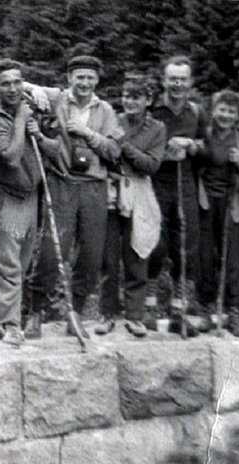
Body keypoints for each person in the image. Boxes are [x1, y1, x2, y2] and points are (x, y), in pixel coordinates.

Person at [22, 54, 123, 338]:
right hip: (62, 183)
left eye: (90, 77)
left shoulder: (105, 110)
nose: (85, 83)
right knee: (54, 252)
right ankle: (35, 312)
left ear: (97, 80)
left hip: (94, 188)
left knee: (91, 256)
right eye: (80, 77)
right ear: (69, 79)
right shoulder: (58, 99)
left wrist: (88, 133)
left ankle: (74, 312)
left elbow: (115, 151)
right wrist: (37, 91)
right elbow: (22, 85)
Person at [94, 73, 166, 338]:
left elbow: (152, 165)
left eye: (136, 97)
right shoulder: (114, 120)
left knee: (137, 254)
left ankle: (134, 317)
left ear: (148, 100)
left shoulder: (157, 128)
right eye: (126, 96)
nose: (130, 102)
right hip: (111, 192)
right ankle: (106, 314)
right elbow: (103, 152)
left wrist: (125, 147)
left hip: (140, 193)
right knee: (108, 257)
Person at [0, 59, 46, 346]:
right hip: (8, 196)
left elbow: (53, 148)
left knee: (21, 261)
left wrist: (36, 128)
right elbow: (10, 156)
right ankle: (10, 325)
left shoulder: (30, 106)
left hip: (33, 197)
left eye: (18, 82)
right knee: (7, 262)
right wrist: (20, 119)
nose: (12, 88)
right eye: (5, 83)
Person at [147, 55, 208, 336]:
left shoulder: (196, 112)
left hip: (186, 184)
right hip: (155, 184)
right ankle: (147, 308)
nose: (177, 84)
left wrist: (192, 145)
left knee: (185, 248)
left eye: (182, 79)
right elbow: (135, 144)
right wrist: (162, 151)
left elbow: (210, 148)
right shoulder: (153, 111)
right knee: (154, 246)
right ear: (164, 80)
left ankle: (178, 311)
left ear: (190, 82)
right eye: (173, 78)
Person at [193, 90, 239, 337]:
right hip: (205, 202)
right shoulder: (206, 133)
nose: (226, 115)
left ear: (237, 115)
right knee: (204, 259)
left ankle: (235, 313)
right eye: (222, 109)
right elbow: (194, 160)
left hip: (232, 204)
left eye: (231, 111)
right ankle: (205, 310)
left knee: (232, 260)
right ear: (214, 110)